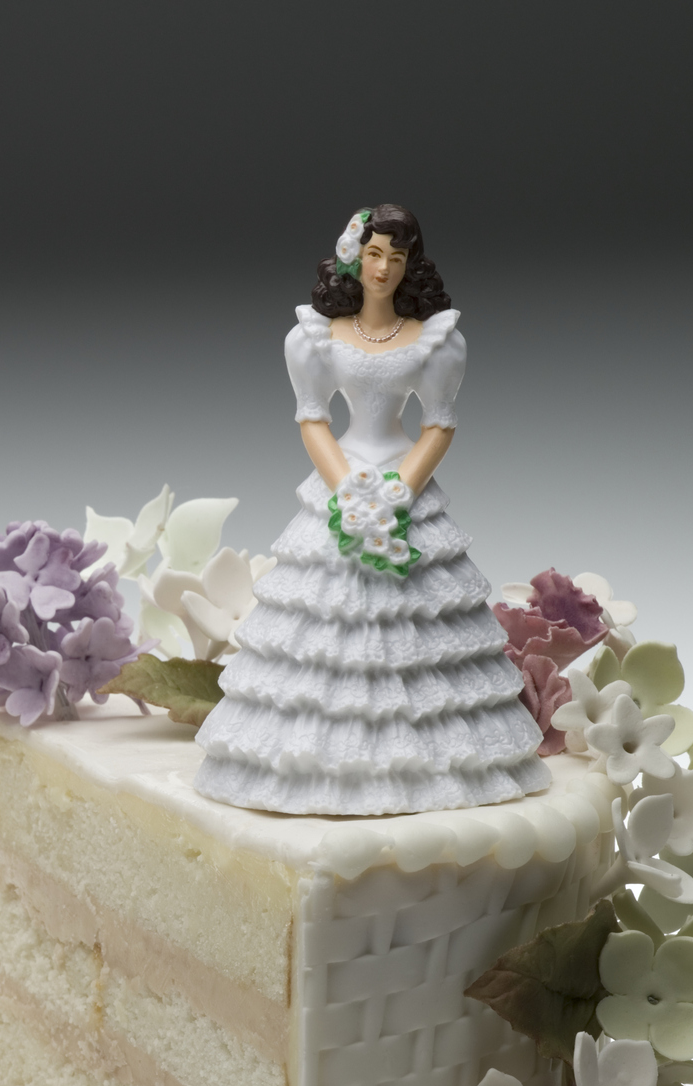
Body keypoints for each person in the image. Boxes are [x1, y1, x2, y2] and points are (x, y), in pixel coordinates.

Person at [192, 204, 548, 815]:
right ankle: (315, 768)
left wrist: (399, 492)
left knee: (418, 632)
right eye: (375, 253)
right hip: (342, 481)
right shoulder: (315, 337)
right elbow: (312, 418)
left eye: (397, 257)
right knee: (319, 633)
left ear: (411, 265)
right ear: (355, 256)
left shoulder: (435, 339)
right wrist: (350, 491)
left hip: (402, 479)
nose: (383, 268)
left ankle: (422, 770)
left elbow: (438, 425)